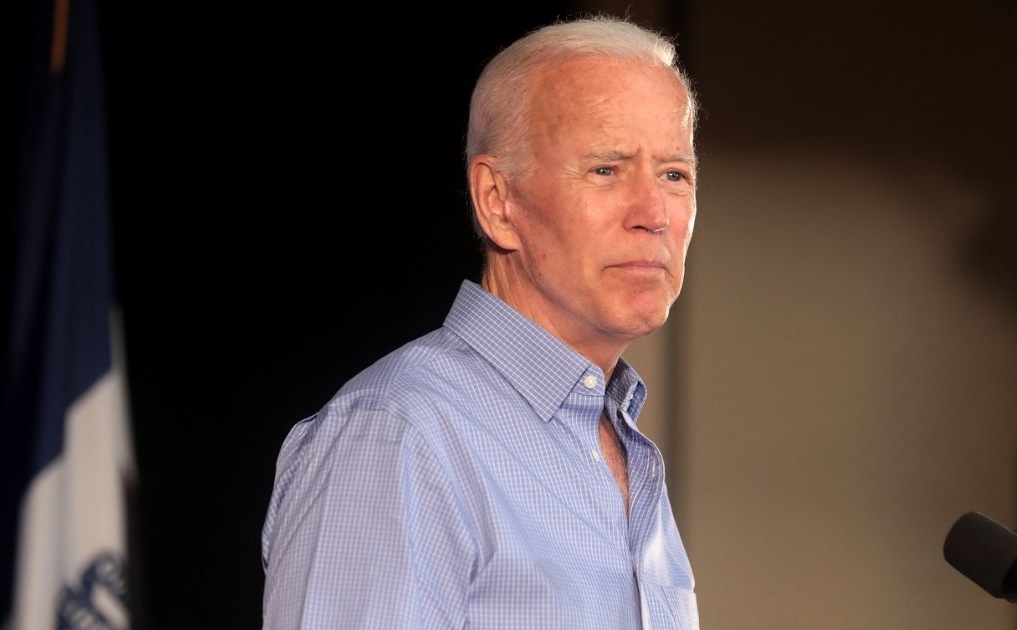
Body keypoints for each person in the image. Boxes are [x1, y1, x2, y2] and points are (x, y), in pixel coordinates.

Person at [261, 16, 700, 629]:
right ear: (498, 202)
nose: (653, 212)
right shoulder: (398, 436)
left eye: (675, 174)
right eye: (606, 169)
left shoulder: (617, 443)